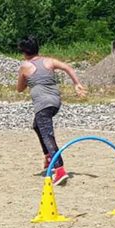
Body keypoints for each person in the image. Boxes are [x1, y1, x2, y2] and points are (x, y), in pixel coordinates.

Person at [16, 35, 87, 186]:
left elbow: (20, 89)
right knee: (37, 126)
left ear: (24, 52)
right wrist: (76, 84)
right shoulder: (49, 61)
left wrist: (27, 81)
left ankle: (59, 169)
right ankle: (49, 157)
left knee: (47, 135)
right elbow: (67, 67)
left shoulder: (25, 67)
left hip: (42, 105)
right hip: (55, 102)